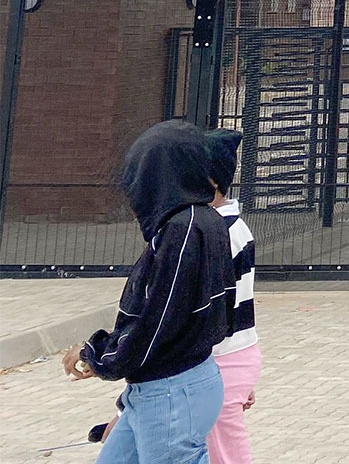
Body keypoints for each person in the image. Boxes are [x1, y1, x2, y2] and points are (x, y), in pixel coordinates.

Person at [63, 120, 234, 464]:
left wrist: (101, 357)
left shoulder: (183, 230)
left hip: (171, 391)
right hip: (170, 384)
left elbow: (159, 320)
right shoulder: (201, 221)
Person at [204, 129, 261, 464]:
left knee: (226, 455)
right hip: (234, 358)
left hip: (221, 359)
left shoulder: (219, 233)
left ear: (211, 181)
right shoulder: (233, 227)